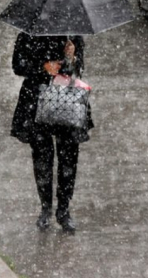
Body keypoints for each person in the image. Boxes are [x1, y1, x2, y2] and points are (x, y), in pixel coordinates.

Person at [11, 32, 94, 232]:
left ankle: (63, 210)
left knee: (68, 158)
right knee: (42, 157)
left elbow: (78, 69)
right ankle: (46, 208)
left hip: (66, 101)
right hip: (36, 101)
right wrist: (42, 67)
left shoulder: (72, 35)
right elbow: (18, 65)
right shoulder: (29, 34)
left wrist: (71, 57)